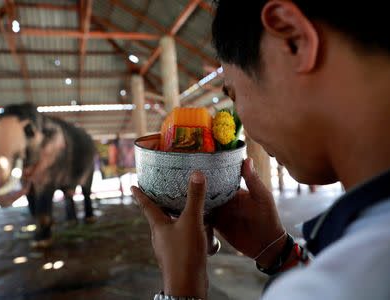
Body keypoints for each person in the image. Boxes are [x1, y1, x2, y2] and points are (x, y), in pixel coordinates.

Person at [131, 0, 390, 299]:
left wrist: (182, 287)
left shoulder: (343, 284)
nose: (247, 127)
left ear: (291, 40)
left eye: (234, 94)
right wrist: (281, 253)